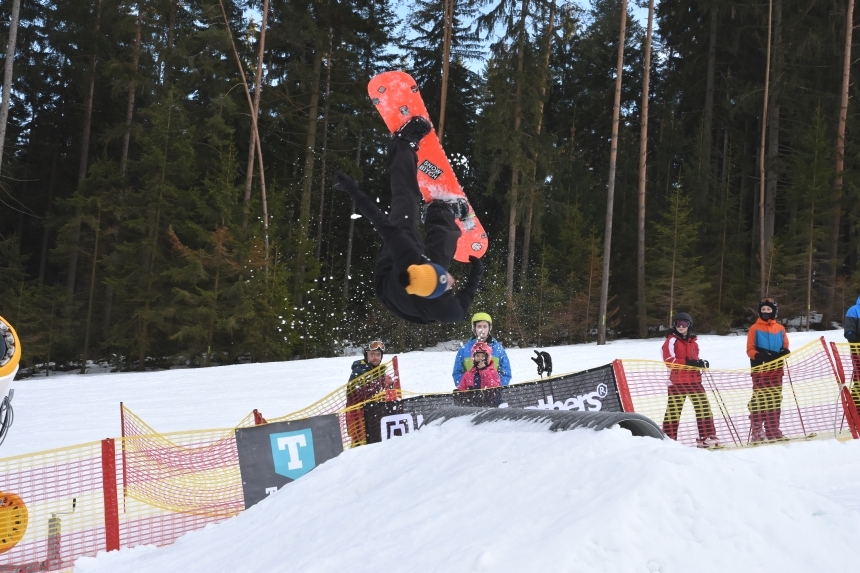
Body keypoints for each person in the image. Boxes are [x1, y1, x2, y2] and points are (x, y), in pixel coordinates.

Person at [333, 116, 484, 324]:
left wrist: (351, 189)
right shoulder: (449, 310)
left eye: (446, 280)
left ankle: (402, 144)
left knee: (406, 205)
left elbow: (379, 220)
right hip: (413, 299)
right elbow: (465, 300)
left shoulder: (406, 256)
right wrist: (476, 274)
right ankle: (441, 210)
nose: (452, 280)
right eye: (447, 281)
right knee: (444, 245)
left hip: (387, 282)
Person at [660, 312, 719, 448]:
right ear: (674, 325)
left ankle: (707, 436)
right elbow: (669, 361)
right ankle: (669, 439)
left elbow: (694, 360)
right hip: (677, 382)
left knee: (704, 408)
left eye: (684, 324)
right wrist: (691, 363)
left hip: (694, 381)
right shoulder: (671, 340)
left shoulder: (693, 342)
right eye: (678, 323)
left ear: (689, 325)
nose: (681, 326)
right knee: (674, 411)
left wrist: (701, 363)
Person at [746, 297, 790, 442]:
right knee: (760, 399)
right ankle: (757, 430)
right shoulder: (754, 328)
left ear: (774, 311)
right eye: (763, 309)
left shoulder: (780, 329)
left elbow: (785, 346)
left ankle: (772, 429)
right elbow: (750, 350)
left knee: (775, 399)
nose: (765, 312)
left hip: (776, 369)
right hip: (760, 368)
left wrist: (785, 351)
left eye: (768, 309)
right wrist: (759, 355)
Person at [345, 341, 396, 446]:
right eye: (372, 354)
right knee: (360, 445)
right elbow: (358, 394)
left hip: (375, 415)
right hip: (359, 417)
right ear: (366, 356)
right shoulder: (359, 371)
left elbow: (382, 393)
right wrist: (381, 382)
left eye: (378, 355)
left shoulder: (379, 371)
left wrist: (390, 384)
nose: (375, 357)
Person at [451, 312, 512, 387]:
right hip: (471, 394)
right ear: (474, 328)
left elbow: (506, 373)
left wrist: (498, 387)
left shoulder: (498, 349)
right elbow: (457, 373)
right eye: (479, 326)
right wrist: (466, 388)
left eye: (485, 326)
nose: (482, 330)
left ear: (489, 328)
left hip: (493, 394)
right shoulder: (464, 350)